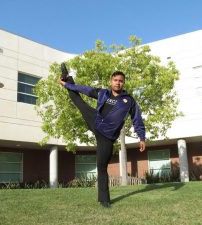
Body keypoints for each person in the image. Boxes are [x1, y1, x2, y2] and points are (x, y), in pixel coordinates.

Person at [58, 63, 146, 208]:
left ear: (123, 83)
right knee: (79, 101)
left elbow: (137, 119)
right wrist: (67, 85)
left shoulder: (129, 101)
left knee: (101, 166)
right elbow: (85, 90)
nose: (118, 82)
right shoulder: (103, 93)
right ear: (111, 81)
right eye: (115, 80)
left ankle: (104, 200)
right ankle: (67, 79)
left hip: (107, 136)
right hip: (95, 120)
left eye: (121, 80)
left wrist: (141, 137)